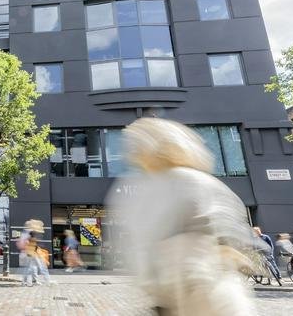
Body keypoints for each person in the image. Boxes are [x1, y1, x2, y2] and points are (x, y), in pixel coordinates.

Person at [107, 118, 255, 315]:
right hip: (170, 292)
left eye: (139, 145)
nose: (133, 152)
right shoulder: (143, 187)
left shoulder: (189, 180)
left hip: (203, 286)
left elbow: (225, 228)